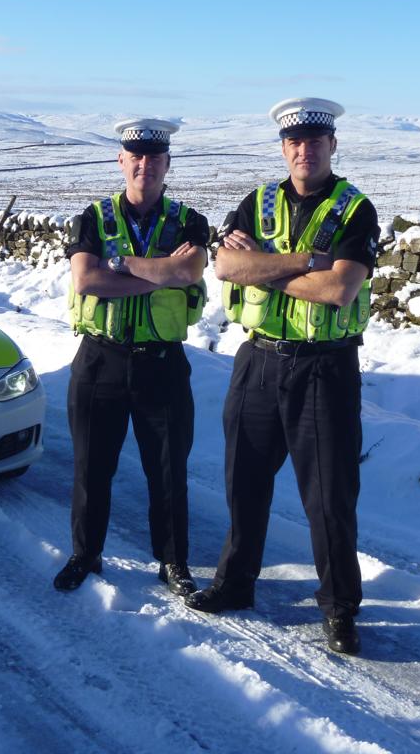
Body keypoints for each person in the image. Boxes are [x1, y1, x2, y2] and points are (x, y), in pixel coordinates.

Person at [184, 98, 379, 655]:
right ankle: (235, 583)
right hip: (259, 360)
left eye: (315, 141)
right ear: (283, 146)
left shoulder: (354, 208)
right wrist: (305, 262)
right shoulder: (258, 201)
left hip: (325, 365)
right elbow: (225, 268)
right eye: (294, 141)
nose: (303, 150)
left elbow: (339, 289)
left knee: (329, 497)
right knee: (244, 481)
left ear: (332, 145)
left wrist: (265, 266)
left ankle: (340, 608)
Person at [55, 118, 209, 596]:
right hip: (100, 359)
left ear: (167, 163)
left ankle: (173, 562)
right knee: (91, 466)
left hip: (161, 362)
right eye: (136, 157)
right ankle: (85, 553)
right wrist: (163, 274)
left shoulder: (189, 221)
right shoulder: (93, 218)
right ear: (121, 161)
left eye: (155, 157)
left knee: (167, 469)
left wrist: (119, 263)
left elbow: (192, 269)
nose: (146, 165)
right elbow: (87, 280)